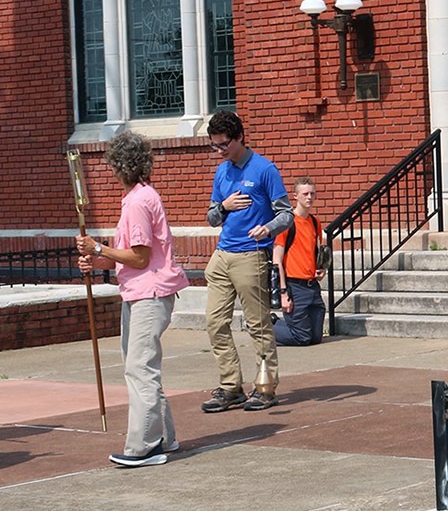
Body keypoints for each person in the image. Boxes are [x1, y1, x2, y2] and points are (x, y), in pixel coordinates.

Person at [75, 131, 188, 466]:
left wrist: (98, 248)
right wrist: (96, 259)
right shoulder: (138, 198)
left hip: (149, 293)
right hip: (143, 292)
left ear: (118, 166)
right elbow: (124, 255)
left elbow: (139, 257)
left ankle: (145, 445)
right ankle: (164, 436)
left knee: (140, 368)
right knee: (142, 366)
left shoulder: (139, 201)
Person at [203, 110, 292, 413]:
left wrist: (268, 228)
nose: (220, 151)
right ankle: (230, 387)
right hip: (222, 255)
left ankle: (265, 387)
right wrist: (224, 207)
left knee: (258, 325)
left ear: (240, 137)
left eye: (224, 144)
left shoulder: (265, 169)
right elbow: (212, 217)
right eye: (215, 146)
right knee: (215, 323)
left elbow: (287, 214)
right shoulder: (222, 172)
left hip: (251, 254)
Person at [272, 177, 328, 347]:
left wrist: (322, 268)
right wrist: (283, 293)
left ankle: (280, 325)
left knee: (315, 338)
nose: (309, 197)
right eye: (305, 194)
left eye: (312, 193)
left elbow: (318, 251)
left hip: (312, 287)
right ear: (295, 196)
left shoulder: (314, 222)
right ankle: (264, 327)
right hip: (294, 287)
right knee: (302, 338)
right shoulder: (287, 223)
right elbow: (277, 261)